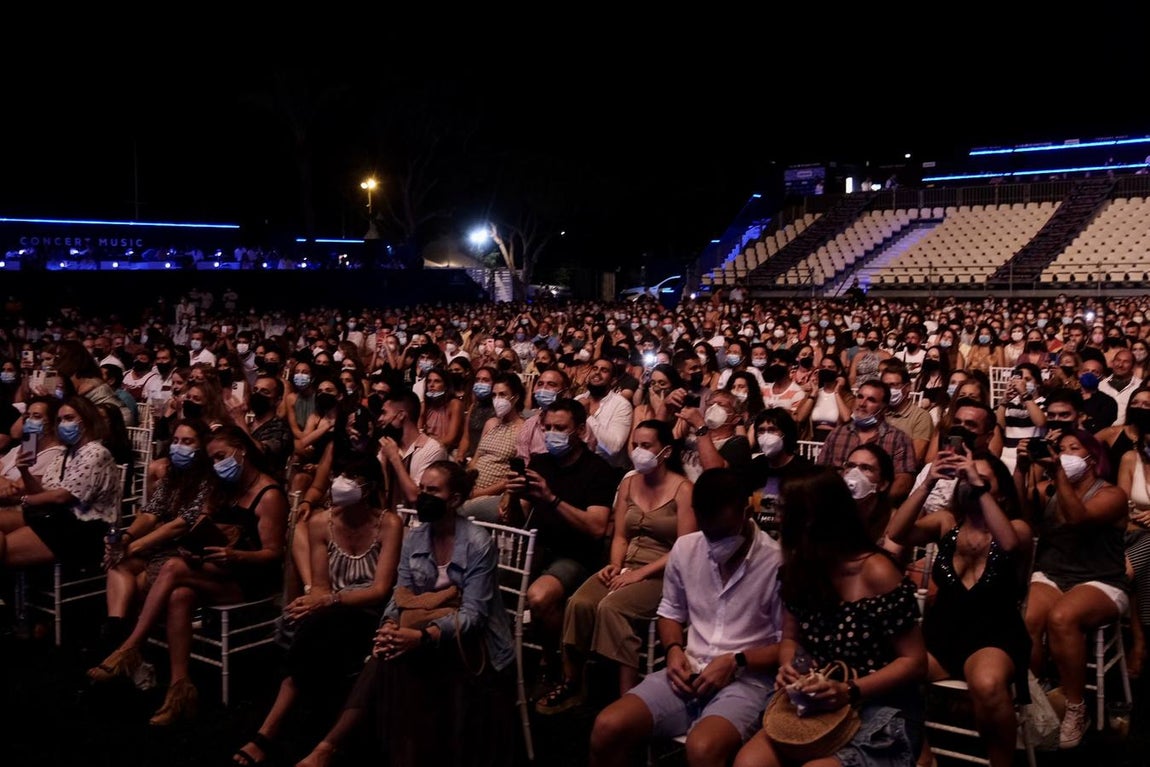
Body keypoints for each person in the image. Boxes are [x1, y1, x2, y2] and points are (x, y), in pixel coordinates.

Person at [294, 460, 516, 767]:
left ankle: (331, 747)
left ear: (454, 500)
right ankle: (336, 748)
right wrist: (388, 625)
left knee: (396, 660)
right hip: (421, 628)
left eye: (433, 490)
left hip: (473, 643)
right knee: (386, 651)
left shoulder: (478, 543)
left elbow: (474, 616)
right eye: (422, 488)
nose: (422, 496)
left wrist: (421, 636)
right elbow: (399, 596)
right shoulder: (415, 538)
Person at [87, 425, 289, 727]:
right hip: (216, 568)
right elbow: (200, 527)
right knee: (180, 595)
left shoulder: (269, 493)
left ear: (242, 451)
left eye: (222, 456)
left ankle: (130, 646)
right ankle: (179, 691)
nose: (218, 464)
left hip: (248, 577)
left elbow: (273, 554)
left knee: (171, 568)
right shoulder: (223, 488)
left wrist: (236, 555)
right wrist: (197, 548)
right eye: (213, 459)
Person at [588, 467, 785, 767]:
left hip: (748, 681)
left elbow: (790, 647)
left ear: (745, 512)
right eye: (707, 531)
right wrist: (673, 649)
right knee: (607, 727)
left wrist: (736, 660)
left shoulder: (776, 562)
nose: (713, 541)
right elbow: (670, 611)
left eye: (722, 531)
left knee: (703, 748)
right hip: (690, 669)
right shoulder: (687, 547)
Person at [733, 465, 927, 767]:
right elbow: (790, 638)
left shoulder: (876, 571)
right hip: (819, 699)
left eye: (787, 511)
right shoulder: (800, 568)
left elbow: (914, 663)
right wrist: (789, 667)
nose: (779, 519)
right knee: (750, 762)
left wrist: (849, 690)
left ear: (814, 518)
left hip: (877, 703)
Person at [232, 455, 402, 767]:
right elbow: (321, 585)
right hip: (331, 609)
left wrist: (328, 602)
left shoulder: (388, 523)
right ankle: (297, 732)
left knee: (316, 628)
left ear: (368, 488)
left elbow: (379, 591)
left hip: (368, 612)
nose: (339, 483)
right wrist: (321, 601)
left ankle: (269, 731)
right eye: (339, 475)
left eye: (350, 478)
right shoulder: (321, 522)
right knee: (310, 624)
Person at [887, 443, 1032, 767]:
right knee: (887, 669)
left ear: (1002, 493)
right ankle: (923, 755)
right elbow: (896, 532)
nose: (971, 483)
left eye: (982, 479)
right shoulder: (946, 521)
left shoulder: (1017, 528)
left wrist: (976, 483)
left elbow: (1008, 544)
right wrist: (927, 483)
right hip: (942, 635)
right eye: (966, 478)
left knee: (988, 684)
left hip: (994, 636)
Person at [537, 419, 696, 714]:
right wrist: (614, 565)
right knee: (581, 603)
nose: (638, 452)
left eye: (647, 446)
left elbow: (684, 548)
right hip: (627, 564)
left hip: (663, 571)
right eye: (635, 445)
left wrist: (639, 574)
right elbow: (621, 534)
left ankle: (627, 697)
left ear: (666, 452)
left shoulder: (684, 489)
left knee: (613, 608)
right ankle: (574, 682)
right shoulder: (629, 482)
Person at [1016, 428, 1129, 748]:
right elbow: (1022, 509)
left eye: (1073, 449)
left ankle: (1076, 708)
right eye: (1059, 449)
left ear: (1091, 459)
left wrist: (1057, 473)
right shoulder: (1049, 488)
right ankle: (1032, 701)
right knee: (1028, 618)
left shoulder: (1111, 494)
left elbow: (1078, 517)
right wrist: (1023, 468)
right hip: (1053, 574)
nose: (1064, 454)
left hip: (1102, 580)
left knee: (1063, 618)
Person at [502, 397, 615, 684]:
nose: (552, 434)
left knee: (540, 597)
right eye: (548, 427)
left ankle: (553, 662)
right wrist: (515, 496)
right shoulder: (540, 462)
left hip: (576, 554)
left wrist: (551, 499)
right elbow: (518, 520)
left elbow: (596, 528)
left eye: (560, 428)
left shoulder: (598, 470)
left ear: (578, 431)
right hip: (538, 549)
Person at [98, 419, 220, 650]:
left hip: (185, 549)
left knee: (139, 582)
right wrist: (127, 538)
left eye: (187, 442)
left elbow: (181, 525)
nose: (178, 447)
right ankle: (117, 634)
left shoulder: (209, 479)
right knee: (118, 566)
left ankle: (128, 650)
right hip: (158, 544)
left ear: (201, 447)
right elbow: (150, 514)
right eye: (175, 441)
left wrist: (134, 547)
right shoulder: (173, 476)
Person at [0, 396, 120, 573]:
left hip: (81, 530)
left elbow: (62, 496)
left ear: (86, 420)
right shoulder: (67, 453)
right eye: (60, 420)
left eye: (69, 419)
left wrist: (25, 500)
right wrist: (24, 470)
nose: (63, 424)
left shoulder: (96, 453)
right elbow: (43, 491)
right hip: (54, 519)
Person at [814, 379, 918, 505]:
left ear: (884, 408)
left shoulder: (898, 439)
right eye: (860, 397)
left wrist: (876, 505)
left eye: (871, 400)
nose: (862, 403)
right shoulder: (837, 434)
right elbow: (820, 473)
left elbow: (903, 482)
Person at [746, 407, 812, 536]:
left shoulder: (804, 469)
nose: (766, 436)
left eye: (772, 430)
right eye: (761, 431)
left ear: (786, 433)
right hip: (758, 538)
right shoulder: (754, 466)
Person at [417, 366, 464, 455]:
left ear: (446, 386)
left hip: (446, 449)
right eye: (429, 381)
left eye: (437, 381)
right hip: (426, 446)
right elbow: (418, 431)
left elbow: (450, 438)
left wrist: (428, 446)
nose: (431, 385)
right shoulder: (424, 405)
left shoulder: (455, 404)